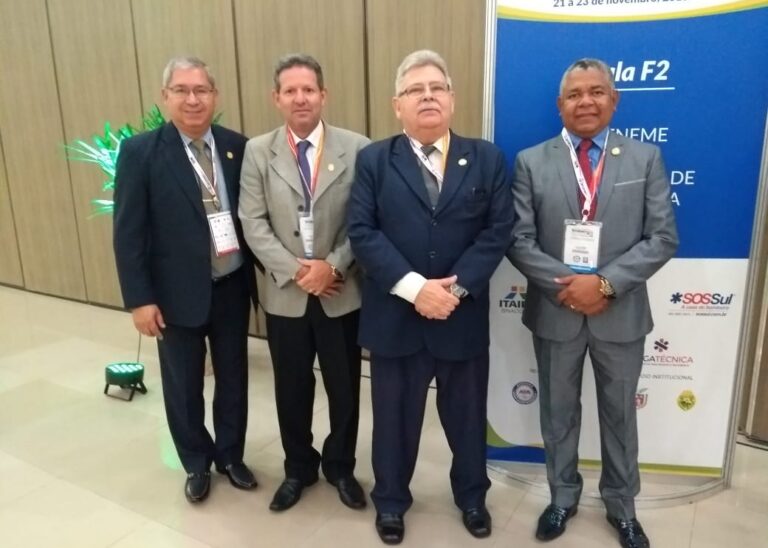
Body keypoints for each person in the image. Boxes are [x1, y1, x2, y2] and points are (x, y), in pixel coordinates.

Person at [507, 58, 679, 548]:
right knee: (557, 414)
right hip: (555, 310)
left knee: (620, 415)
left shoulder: (644, 158)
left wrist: (602, 285)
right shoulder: (531, 161)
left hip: (620, 313)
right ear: (560, 105)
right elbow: (518, 239)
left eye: (596, 92)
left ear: (614, 100)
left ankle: (622, 507)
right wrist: (570, 287)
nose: (586, 101)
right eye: (575, 94)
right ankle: (562, 497)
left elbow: (663, 237)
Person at [347, 49, 514, 545]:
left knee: (467, 419)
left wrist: (453, 290)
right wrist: (417, 289)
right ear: (397, 104)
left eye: (436, 88)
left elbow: (497, 232)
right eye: (415, 90)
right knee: (393, 420)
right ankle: (391, 502)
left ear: (452, 99)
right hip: (396, 317)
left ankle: (472, 498)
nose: (427, 97)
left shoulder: (486, 158)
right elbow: (363, 232)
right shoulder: (374, 160)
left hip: (461, 315)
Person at [113, 56, 258, 503]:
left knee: (233, 379)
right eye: (182, 90)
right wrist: (139, 299)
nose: (192, 99)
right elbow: (128, 233)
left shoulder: (237, 147)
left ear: (214, 95)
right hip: (174, 295)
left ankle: (230, 456)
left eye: (201, 90)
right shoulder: (140, 152)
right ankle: (196, 461)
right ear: (166, 97)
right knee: (183, 385)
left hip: (231, 286)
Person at [238, 53, 370, 512]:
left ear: (323, 95)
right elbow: (252, 222)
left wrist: (332, 267)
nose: (300, 98)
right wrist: (299, 271)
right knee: (291, 388)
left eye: (308, 89)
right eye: (290, 91)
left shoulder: (357, 148)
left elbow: (364, 221)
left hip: (341, 291)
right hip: (286, 294)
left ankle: (341, 466)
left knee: (344, 388)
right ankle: (298, 468)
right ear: (276, 98)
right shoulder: (258, 152)